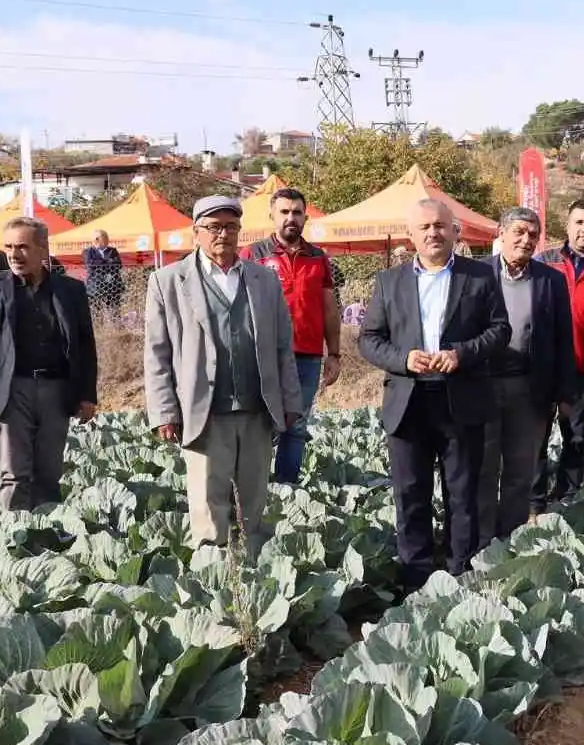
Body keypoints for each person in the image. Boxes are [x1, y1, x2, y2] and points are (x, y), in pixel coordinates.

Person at [359, 198, 511, 589]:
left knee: (462, 494)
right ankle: (416, 578)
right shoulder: (388, 282)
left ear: (455, 231)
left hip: (461, 400)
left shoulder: (479, 277)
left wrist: (461, 355)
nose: (433, 233)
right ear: (411, 235)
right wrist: (404, 359)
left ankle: (462, 573)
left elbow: (499, 331)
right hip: (408, 404)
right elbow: (370, 340)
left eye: (441, 226)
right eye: (424, 227)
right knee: (411, 495)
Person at [144, 196, 302, 555]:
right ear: (195, 232)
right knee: (207, 509)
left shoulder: (263, 279)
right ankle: (212, 583)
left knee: (254, 507)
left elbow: (282, 346)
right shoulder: (168, 281)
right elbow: (157, 353)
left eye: (231, 227)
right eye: (214, 227)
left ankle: (255, 577)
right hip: (203, 413)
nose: (223, 234)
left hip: (256, 409)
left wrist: (290, 400)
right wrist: (165, 411)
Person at [0, 217, 98, 509]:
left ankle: (47, 535)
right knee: (14, 474)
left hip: (57, 390)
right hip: (11, 391)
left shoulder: (70, 290)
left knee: (49, 474)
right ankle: (14, 541)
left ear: (42, 248)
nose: (13, 254)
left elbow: (86, 345)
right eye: (9, 247)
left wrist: (88, 395)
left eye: (22, 247)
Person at [480, 207, 575, 541]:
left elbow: (564, 338)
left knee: (522, 470)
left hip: (530, 388)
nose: (526, 239)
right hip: (483, 386)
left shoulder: (551, 280)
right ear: (501, 234)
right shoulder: (476, 274)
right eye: (519, 231)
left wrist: (564, 392)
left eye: (533, 235)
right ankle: (481, 539)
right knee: (483, 467)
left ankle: (511, 538)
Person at [241, 187, 341, 484]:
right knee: (260, 424)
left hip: (308, 356)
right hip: (264, 355)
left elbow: (329, 309)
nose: (290, 218)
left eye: (297, 212)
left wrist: (333, 353)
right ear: (272, 215)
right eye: (284, 212)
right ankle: (253, 489)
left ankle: (286, 488)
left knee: (296, 425)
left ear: (305, 217)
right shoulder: (252, 255)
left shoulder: (318, 258)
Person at [535, 198, 584, 509]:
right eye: (579, 222)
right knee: (536, 436)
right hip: (540, 367)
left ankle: (567, 496)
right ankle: (534, 498)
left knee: (575, 437)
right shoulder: (543, 261)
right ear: (567, 225)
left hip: (582, 369)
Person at [82, 230, 124, 315]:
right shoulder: (88, 252)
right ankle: (98, 327)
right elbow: (90, 266)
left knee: (114, 311)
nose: (107, 240)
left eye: (106, 238)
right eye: (104, 238)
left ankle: (116, 327)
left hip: (112, 286)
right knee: (96, 312)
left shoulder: (113, 251)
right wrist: (108, 262)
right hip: (95, 287)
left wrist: (100, 263)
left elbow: (118, 265)